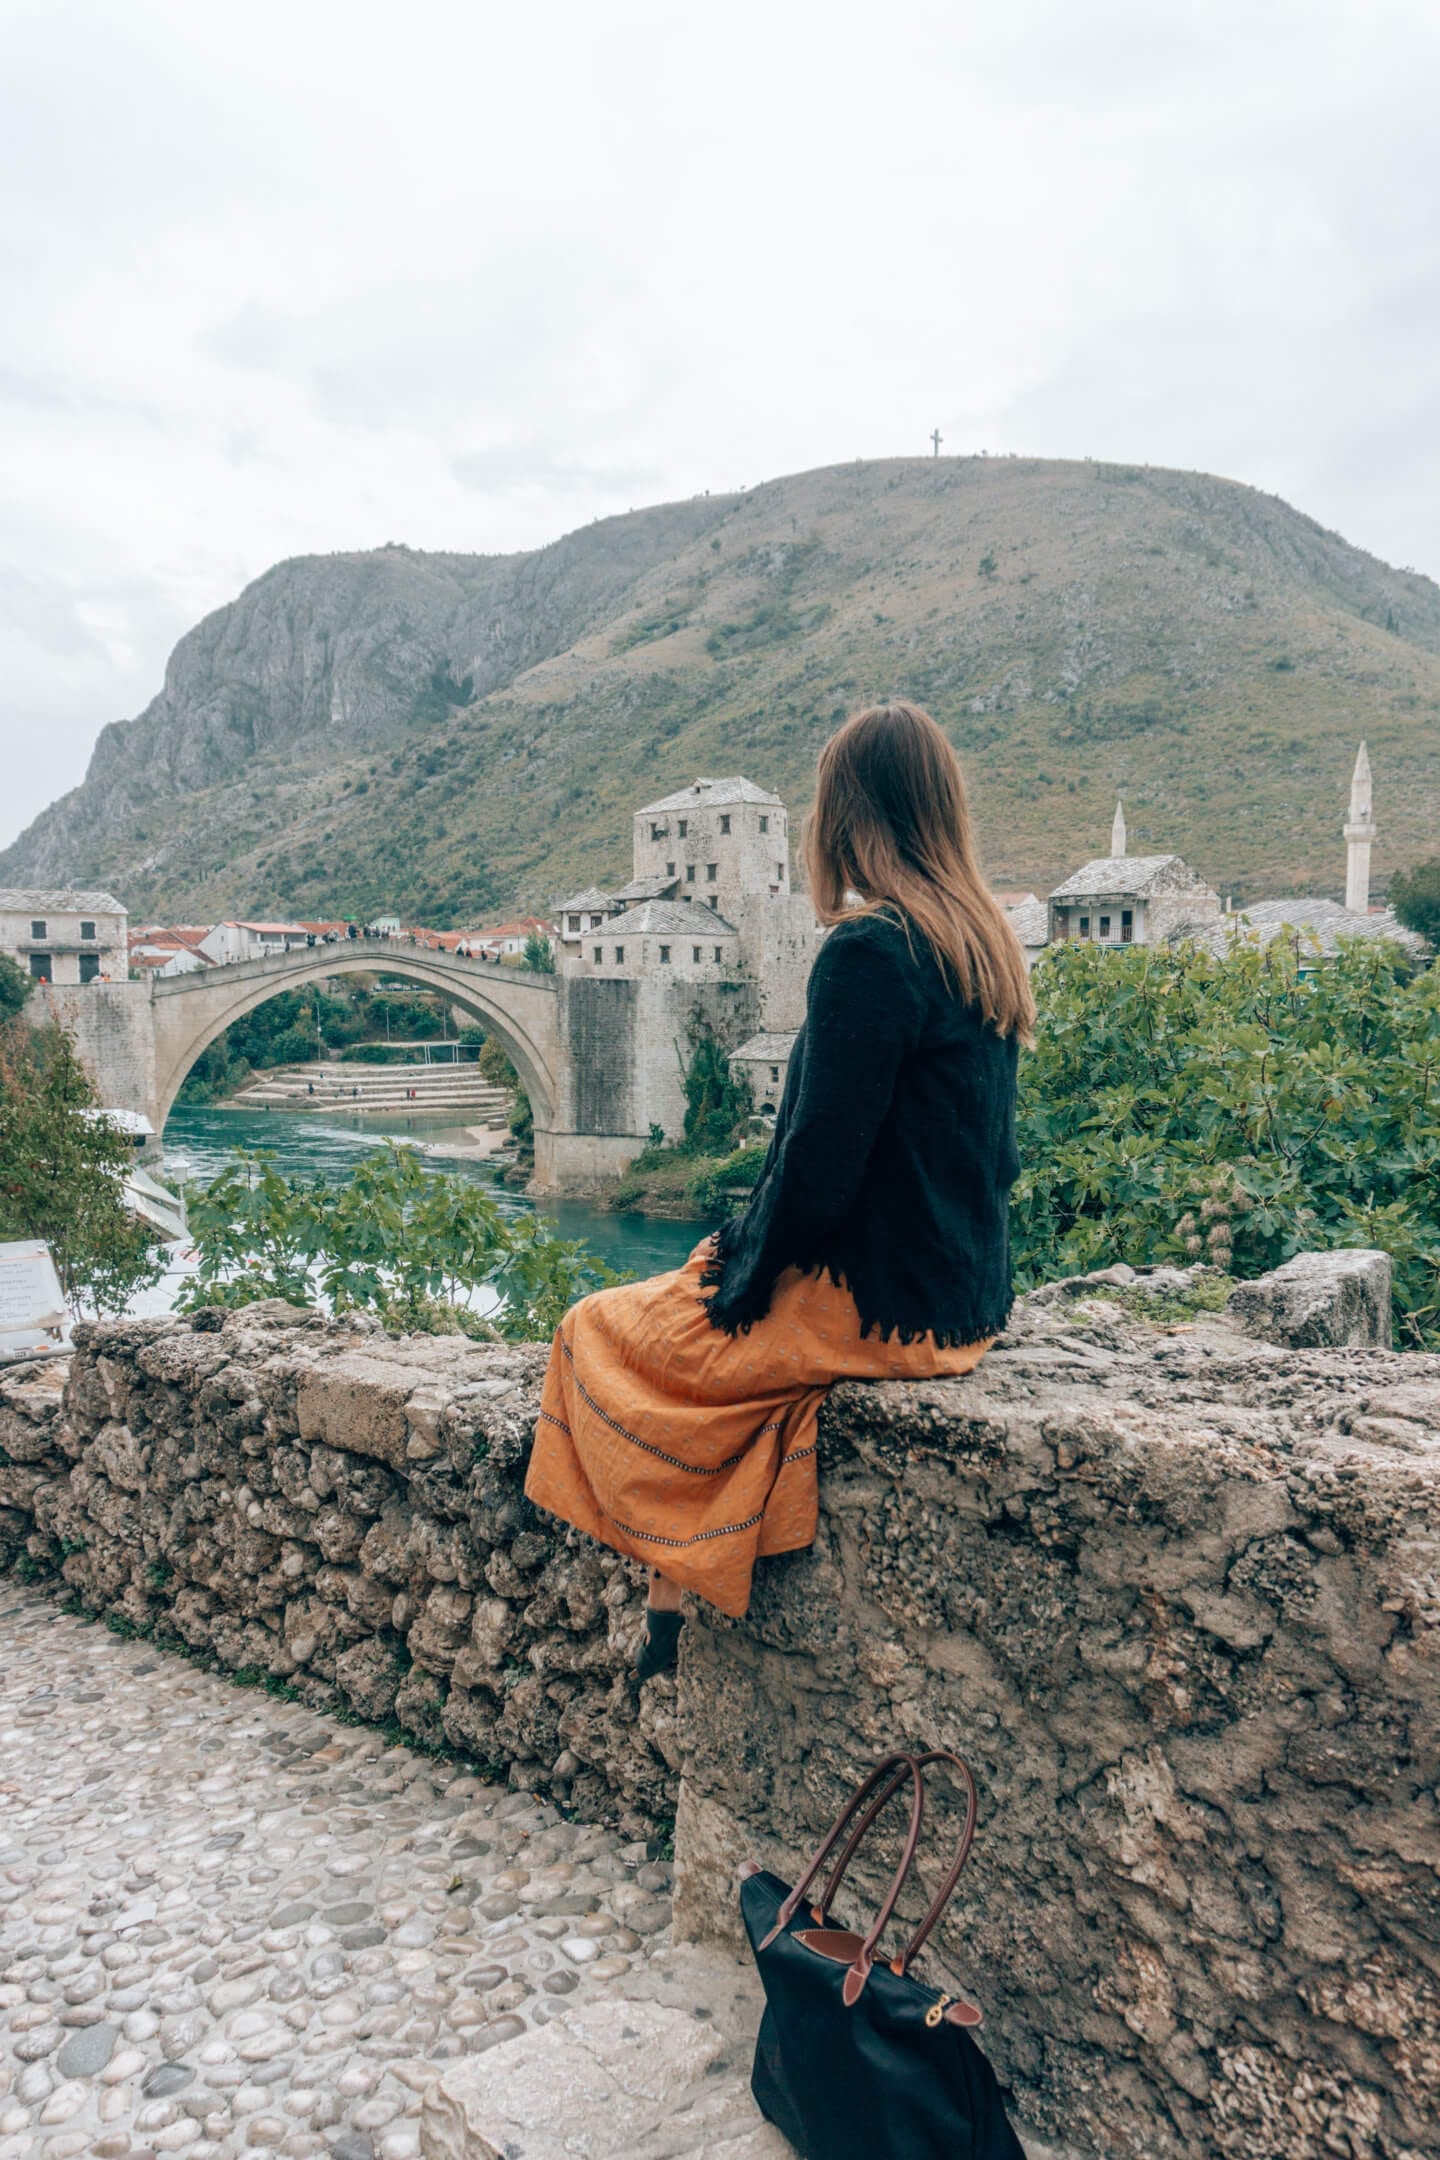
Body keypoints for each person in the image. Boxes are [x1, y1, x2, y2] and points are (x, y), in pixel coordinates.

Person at [525, 702, 1034, 1678]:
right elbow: (988, 1162)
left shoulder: (870, 953)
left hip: (879, 1308)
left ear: (844, 817)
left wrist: (741, 1273)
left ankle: (669, 1575)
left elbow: (817, 1167)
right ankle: (671, 1598)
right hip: (966, 1301)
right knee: (720, 1346)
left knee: (599, 1327)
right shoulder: (982, 944)